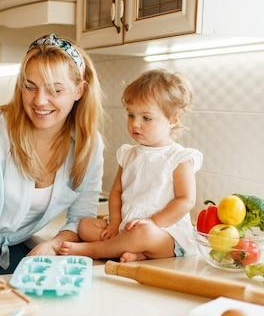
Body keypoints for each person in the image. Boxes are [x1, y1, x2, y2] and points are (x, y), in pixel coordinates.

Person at [0, 33, 105, 274]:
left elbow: (82, 218)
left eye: (55, 90)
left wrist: (54, 244)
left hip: (11, 250)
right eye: (30, 87)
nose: (40, 101)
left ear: (79, 90)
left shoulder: (88, 145)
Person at [59, 68, 203, 262]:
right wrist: (115, 223)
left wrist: (153, 222)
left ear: (173, 119)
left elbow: (186, 201)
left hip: (164, 232)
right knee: (84, 225)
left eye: (146, 118)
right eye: (131, 115)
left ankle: (95, 250)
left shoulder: (179, 157)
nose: (135, 124)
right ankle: (135, 253)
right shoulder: (128, 154)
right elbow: (116, 192)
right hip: (127, 226)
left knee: (144, 234)